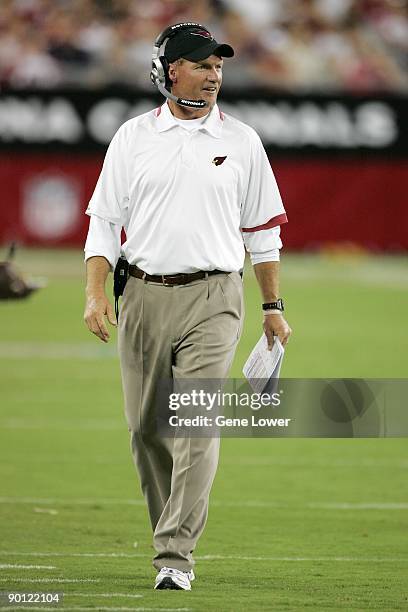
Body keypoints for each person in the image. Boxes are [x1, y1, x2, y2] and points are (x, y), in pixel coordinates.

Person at [83, 22, 291, 591]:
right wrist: (95, 291)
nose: (215, 74)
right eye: (202, 64)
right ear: (171, 70)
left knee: (197, 422)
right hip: (143, 294)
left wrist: (272, 306)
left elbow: (262, 232)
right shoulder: (132, 137)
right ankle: (167, 531)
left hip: (215, 297)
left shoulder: (242, 140)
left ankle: (175, 555)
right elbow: (104, 224)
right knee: (147, 429)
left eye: (219, 66)